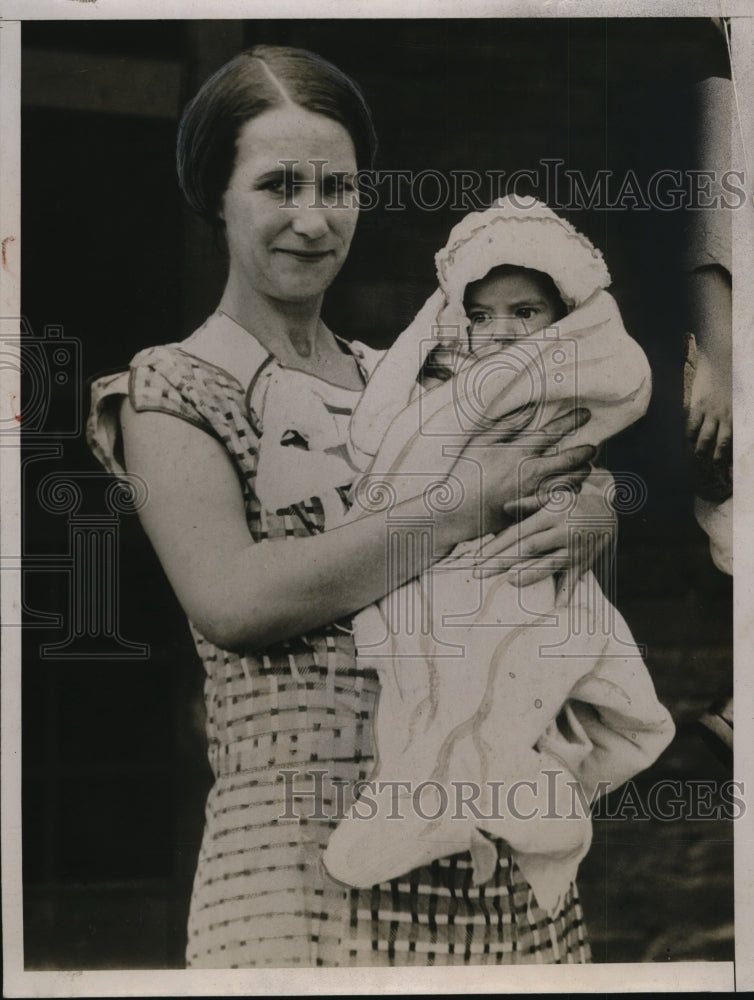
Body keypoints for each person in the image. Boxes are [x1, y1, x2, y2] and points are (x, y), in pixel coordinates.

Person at [87, 46, 609, 968]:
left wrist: (592, 512)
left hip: (498, 865)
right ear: (218, 196)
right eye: (279, 185)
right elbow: (237, 600)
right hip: (299, 873)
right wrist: (462, 504)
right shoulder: (174, 389)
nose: (312, 219)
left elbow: (550, 464)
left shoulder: (406, 381)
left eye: (339, 187)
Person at [315, 199, 675, 914]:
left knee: (517, 665)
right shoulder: (438, 382)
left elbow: (591, 429)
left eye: (525, 311)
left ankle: (504, 784)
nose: (501, 332)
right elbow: (399, 448)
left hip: (526, 558)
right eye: (480, 316)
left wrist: (593, 496)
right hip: (441, 560)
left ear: (564, 314)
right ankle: (442, 793)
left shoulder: (564, 372)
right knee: (433, 666)